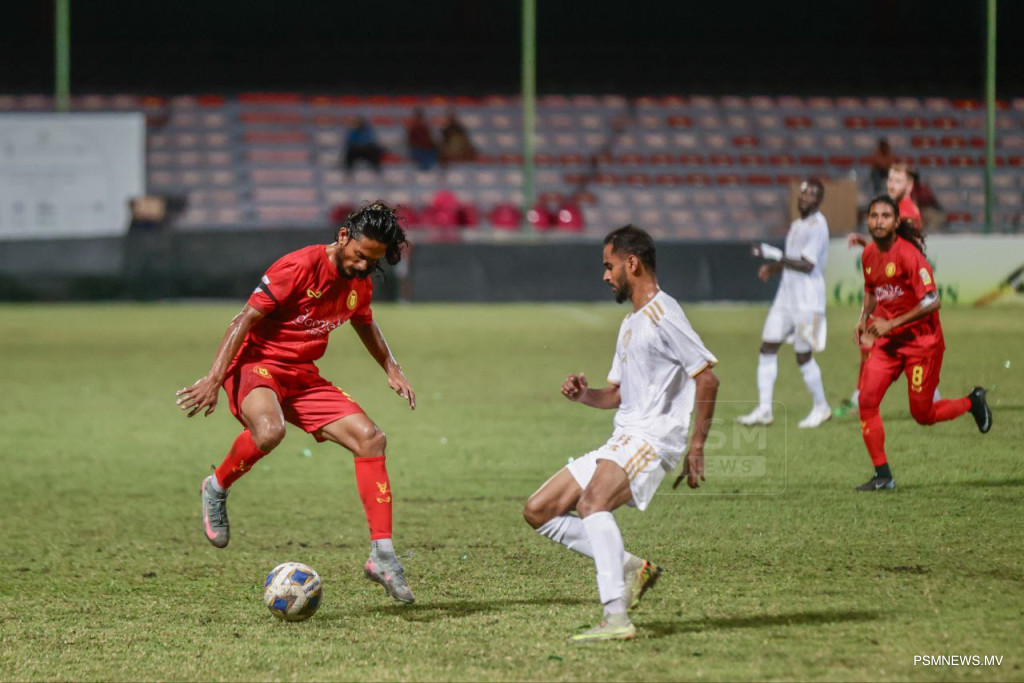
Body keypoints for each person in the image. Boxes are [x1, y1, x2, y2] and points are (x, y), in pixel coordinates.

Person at [175, 202, 418, 603]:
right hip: (255, 365)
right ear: (343, 236)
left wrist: (391, 367)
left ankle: (383, 556)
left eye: (372, 261)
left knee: (371, 439)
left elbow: (364, 322)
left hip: (302, 375)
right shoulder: (298, 267)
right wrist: (215, 378)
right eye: (360, 255)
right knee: (270, 432)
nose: (363, 266)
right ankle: (216, 486)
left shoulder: (359, 283)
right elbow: (243, 319)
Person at [522, 225, 720, 642]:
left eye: (609, 266)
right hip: (623, 438)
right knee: (539, 510)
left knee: (592, 504)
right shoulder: (631, 323)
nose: (605, 275)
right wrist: (583, 395)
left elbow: (707, 378)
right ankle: (631, 568)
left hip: (651, 440)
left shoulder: (665, 313)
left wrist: (697, 445)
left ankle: (616, 617)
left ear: (632, 263)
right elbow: (616, 395)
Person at [853, 195, 991, 490]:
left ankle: (972, 402)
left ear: (896, 222)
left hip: (922, 344)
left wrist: (891, 323)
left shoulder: (909, 256)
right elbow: (871, 290)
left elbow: (932, 300)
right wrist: (863, 318)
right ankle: (883, 475)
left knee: (923, 414)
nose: (879, 221)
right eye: (874, 216)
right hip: (889, 344)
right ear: (868, 221)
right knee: (867, 400)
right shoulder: (868, 255)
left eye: (885, 216)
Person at [737, 178, 832, 429]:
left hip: (809, 301)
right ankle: (764, 410)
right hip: (786, 297)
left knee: (803, 355)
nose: (805, 197)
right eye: (803, 192)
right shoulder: (798, 224)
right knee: (767, 346)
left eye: (811, 194)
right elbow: (793, 260)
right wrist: (775, 267)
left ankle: (821, 407)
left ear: (819, 200)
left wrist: (774, 254)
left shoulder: (817, 225)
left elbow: (808, 265)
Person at [841, 162, 927, 415]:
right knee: (876, 341)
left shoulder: (907, 213)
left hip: (900, 290)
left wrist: (867, 244)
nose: (891, 184)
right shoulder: (899, 210)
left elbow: (896, 249)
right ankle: (862, 395)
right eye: (890, 179)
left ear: (909, 185)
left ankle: (863, 396)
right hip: (894, 288)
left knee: (883, 342)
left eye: (897, 180)